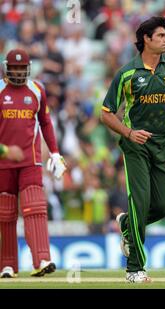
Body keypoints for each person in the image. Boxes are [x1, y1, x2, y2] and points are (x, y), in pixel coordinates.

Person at [101, 16, 165, 283]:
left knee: (162, 206)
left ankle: (127, 226)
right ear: (146, 40)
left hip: (164, 145)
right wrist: (129, 132)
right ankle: (134, 269)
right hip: (135, 145)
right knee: (140, 203)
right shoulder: (127, 73)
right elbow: (106, 113)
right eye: (161, 35)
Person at [0, 49, 66, 278]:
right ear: (6, 68)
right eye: (14, 67)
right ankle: (7, 265)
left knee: (35, 207)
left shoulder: (37, 90)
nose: (18, 72)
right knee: (5, 213)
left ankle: (42, 259)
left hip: (31, 160)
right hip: (3, 163)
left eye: (22, 68)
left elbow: (46, 123)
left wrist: (55, 154)